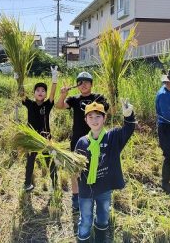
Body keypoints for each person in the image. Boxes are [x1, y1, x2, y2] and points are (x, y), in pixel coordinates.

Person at [75, 100, 135, 242]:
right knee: (85, 220)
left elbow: (128, 130)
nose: (94, 120)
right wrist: (63, 161)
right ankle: (83, 239)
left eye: (98, 116)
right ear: (85, 120)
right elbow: (76, 166)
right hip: (86, 189)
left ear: (105, 118)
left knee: (103, 216)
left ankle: (100, 239)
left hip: (104, 188)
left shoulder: (113, 137)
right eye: (90, 117)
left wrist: (129, 116)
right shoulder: (82, 142)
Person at [55, 71, 109, 210]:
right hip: (78, 139)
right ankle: (75, 198)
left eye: (86, 82)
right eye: (80, 82)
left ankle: (98, 197)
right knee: (75, 170)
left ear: (91, 84)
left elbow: (109, 111)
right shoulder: (74, 99)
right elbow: (59, 106)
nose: (83, 85)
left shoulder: (98, 97)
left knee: (98, 168)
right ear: (77, 85)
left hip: (96, 139)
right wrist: (62, 94)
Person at [20, 66, 59, 192]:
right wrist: (18, 80)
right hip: (31, 139)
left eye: (43, 90)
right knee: (30, 161)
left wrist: (54, 79)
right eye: (38, 90)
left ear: (45, 94)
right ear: (34, 93)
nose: (40, 92)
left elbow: (53, 94)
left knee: (50, 160)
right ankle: (27, 183)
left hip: (45, 138)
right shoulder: (30, 104)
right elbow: (21, 94)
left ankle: (54, 184)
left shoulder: (47, 105)